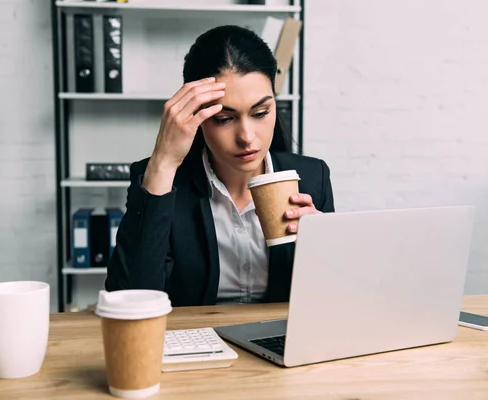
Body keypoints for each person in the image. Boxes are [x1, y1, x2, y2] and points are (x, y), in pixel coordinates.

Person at [105, 25, 335, 306]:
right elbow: (128, 299)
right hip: (193, 343)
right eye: (224, 118)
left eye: (261, 112)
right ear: (197, 116)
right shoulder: (160, 179)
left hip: (277, 343)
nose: (247, 137)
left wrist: (324, 251)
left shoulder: (312, 178)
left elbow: (330, 302)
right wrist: (164, 162)